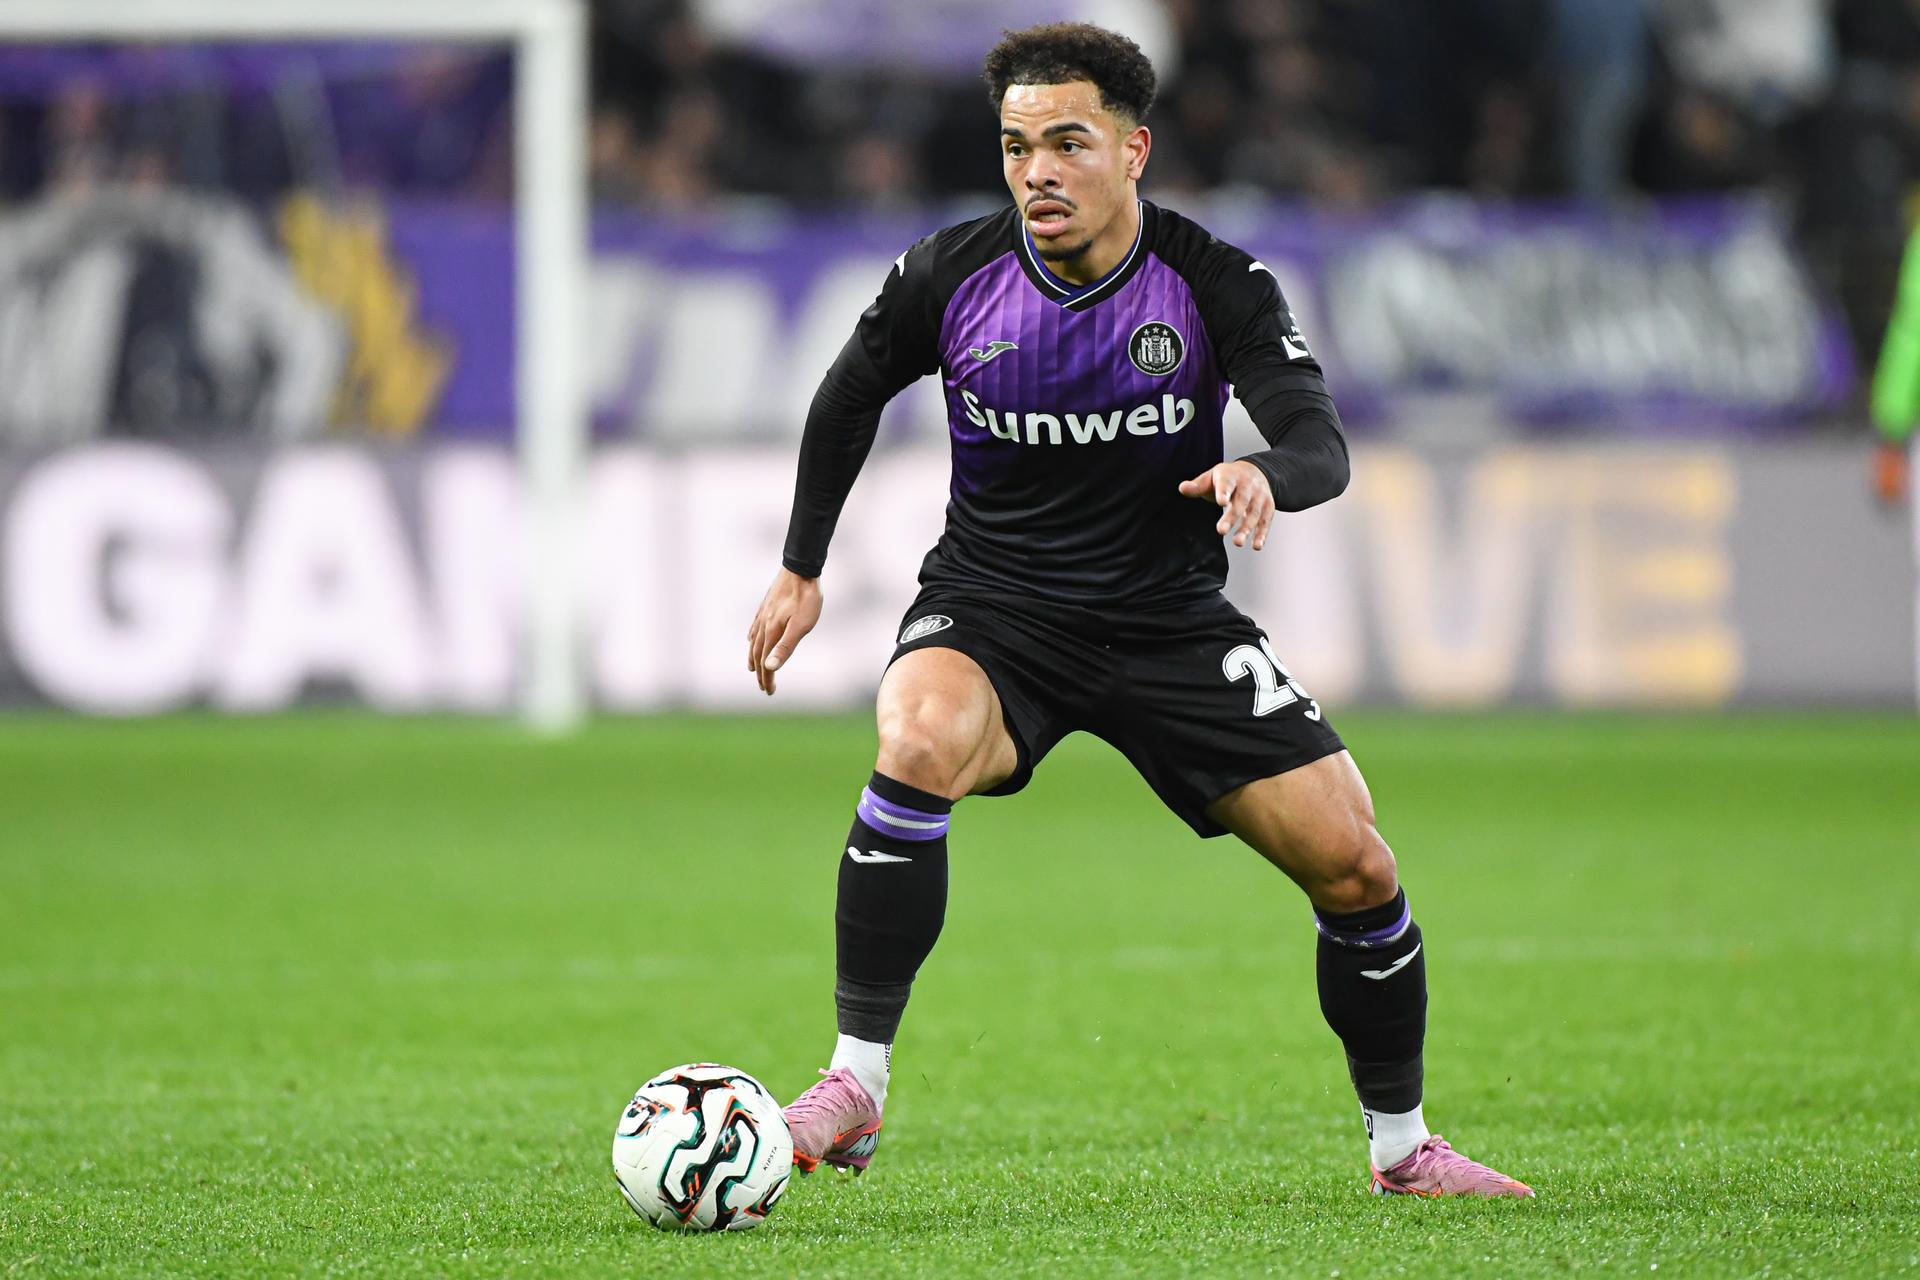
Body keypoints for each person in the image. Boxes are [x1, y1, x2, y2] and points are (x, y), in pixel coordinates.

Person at [745, 22, 1533, 1199]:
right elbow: (848, 394)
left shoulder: (1213, 281)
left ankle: (1403, 1147)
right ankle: (854, 1081)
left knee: (1356, 864)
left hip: (1170, 622)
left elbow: (1319, 440)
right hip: (996, 608)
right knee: (914, 734)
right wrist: (802, 564)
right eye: (1017, 147)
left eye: (1068, 143)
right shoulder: (949, 274)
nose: (1038, 172)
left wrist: (1264, 470)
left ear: (1133, 150)